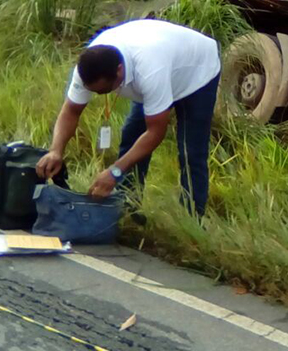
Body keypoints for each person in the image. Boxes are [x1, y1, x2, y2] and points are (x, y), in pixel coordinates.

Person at [36, 19, 222, 218]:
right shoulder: (88, 67)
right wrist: (55, 151)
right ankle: (128, 209)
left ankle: (192, 218)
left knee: (190, 150)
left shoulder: (149, 71)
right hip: (160, 59)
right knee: (132, 134)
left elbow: (156, 132)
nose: (99, 96)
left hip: (196, 71)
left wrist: (114, 172)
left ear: (119, 71)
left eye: (104, 91)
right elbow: (71, 111)